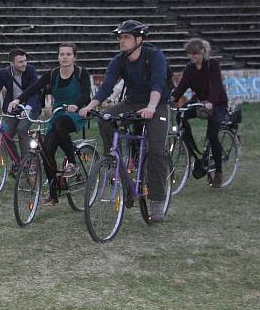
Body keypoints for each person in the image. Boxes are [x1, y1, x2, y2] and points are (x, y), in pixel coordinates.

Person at [78, 20, 170, 222]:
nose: (122, 41)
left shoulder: (154, 56)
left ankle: (157, 202)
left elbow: (158, 83)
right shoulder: (119, 60)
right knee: (105, 118)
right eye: (121, 37)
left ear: (139, 39)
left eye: (126, 37)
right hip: (132, 102)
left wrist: (152, 107)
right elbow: (107, 86)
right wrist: (91, 106)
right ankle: (112, 160)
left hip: (157, 104)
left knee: (156, 151)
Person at [8, 43, 91, 205]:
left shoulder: (81, 73)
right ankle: (53, 195)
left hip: (76, 114)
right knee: (46, 152)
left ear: (75, 57)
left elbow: (86, 94)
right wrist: (18, 99)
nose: (65, 57)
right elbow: (35, 87)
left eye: (68, 54)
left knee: (60, 124)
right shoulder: (53, 74)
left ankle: (73, 163)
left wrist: (77, 104)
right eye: (62, 54)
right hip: (58, 113)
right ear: (58, 57)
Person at [170, 38, 229, 188]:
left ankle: (219, 173)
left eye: (195, 53)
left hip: (217, 103)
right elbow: (183, 85)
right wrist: (172, 98)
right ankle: (192, 151)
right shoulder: (189, 68)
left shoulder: (212, 64)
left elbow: (216, 85)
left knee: (213, 135)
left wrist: (211, 102)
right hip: (199, 101)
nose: (192, 57)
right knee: (180, 116)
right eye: (190, 54)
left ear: (203, 51)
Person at [0, 48, 42, 162]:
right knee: (4, 133)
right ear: (12, 64)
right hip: (13, 109)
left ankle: (26, 162)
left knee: (21, 129)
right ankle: (17, 162)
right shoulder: (5, 73)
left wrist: (28, 108)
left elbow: (35, 91)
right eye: (20, 62)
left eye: (25, 60)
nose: (24, 64)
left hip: (31, 107)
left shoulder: (31, 71)